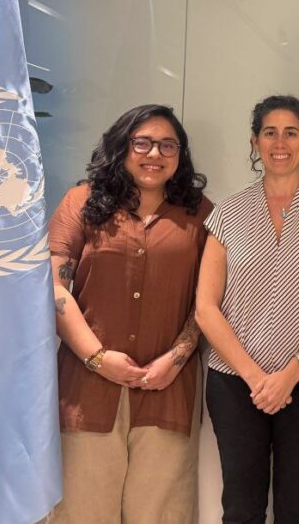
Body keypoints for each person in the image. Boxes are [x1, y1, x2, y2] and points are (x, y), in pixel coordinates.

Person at [195, 95, 299, 524]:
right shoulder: (227, 213)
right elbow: (206, 308)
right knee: (240, 507)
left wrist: (291, 373)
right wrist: (255, 377)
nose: (280, 143)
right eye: (269, 133)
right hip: (235, 381)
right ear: (255, 141)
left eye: (291, 133)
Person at [48, 104, 211, 524]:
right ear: (121, 147)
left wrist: (175, 359)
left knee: (162, 514)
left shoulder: (201, 215)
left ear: (180, 155)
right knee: (81, 512)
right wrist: (98, 358)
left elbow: (208, 302)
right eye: (143, 143)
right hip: (86, 391)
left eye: (168, 145)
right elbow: (54, 287)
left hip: (167, 391)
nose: (155, 154)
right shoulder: (81, 202)